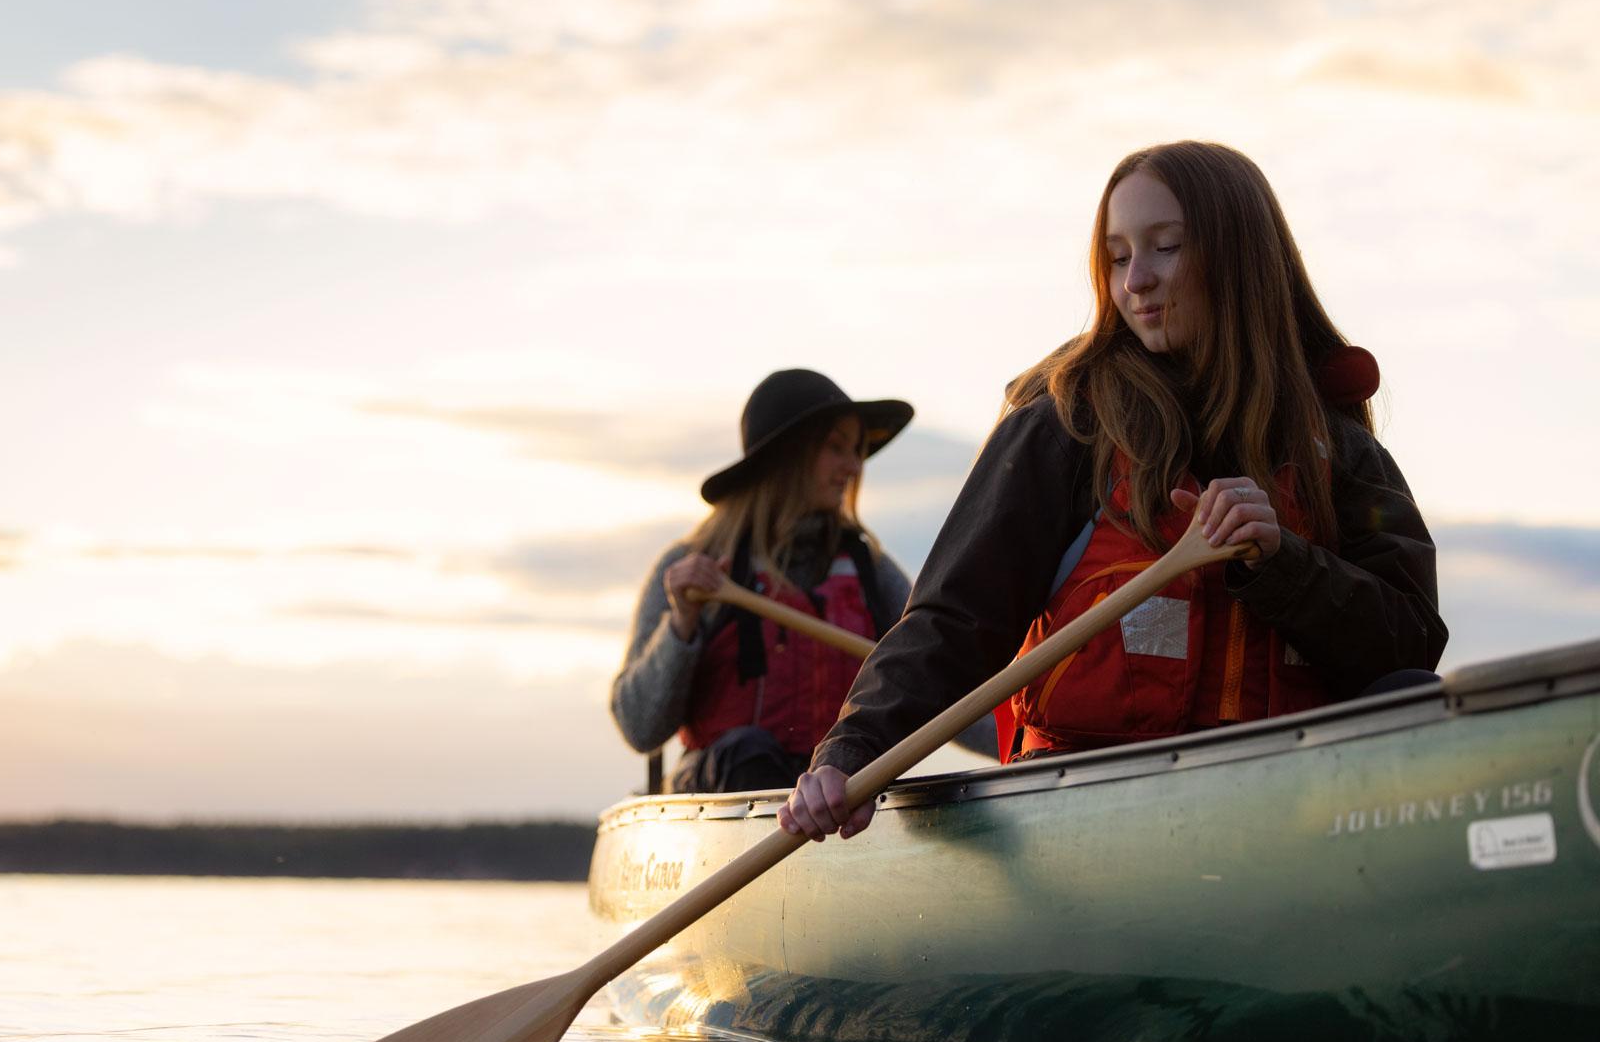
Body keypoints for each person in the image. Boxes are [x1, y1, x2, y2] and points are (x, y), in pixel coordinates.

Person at [780, 140, 1447, 842]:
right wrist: (852, 755)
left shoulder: (1334, 447)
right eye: (1119, 256)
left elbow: (1409, 643)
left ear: (1240, 257)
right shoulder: (1067, 427)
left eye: (1166, 248)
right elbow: (953, 619)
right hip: (1092, 819)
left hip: (1280, 817)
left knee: (1415, 700)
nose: (1137, 282)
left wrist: (1284, 567)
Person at [612, 369, 917, 794]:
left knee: (871, 774)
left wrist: (1021, 745)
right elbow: (640, 727)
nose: (853, 466)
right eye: (836, 448)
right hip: (724, 801)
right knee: (748, 752)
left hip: (832, 803)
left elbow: (933, 665)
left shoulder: (870, 571)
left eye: (856, 451)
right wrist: (682, 623)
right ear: (785, 457)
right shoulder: (693, 567)